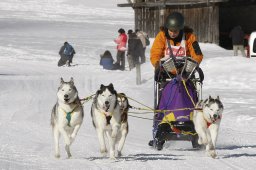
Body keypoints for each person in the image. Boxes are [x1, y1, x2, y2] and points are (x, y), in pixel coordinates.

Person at [149, 12, 204, 150]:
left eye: (175, 31)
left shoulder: (190, 37)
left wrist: (190, 67)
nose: (173, 33)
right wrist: (157, 65)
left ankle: (194, 122)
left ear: (181, 29)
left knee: (192, 96)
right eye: (170, 30)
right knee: (163, 97)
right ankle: (161, 124)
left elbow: (198, 54)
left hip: (186, 74)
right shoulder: (162, 36)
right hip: (166, 75)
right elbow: (155, 54)